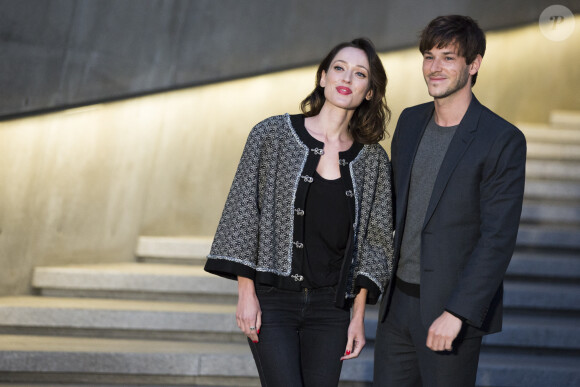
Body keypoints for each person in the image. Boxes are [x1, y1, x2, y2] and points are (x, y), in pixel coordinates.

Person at [205, 38, 394, 387]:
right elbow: (244, 211)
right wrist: (246, 294)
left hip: (331, 309)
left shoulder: (374, 161)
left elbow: (377, 242)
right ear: (322, 77)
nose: (347, 78)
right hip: (274, 300)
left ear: (369, 92)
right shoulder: (271, 135)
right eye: (339, 68)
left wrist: (357, 316)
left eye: (360, 74)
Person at [373, 15, 526, 387]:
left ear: (474, 65)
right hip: (396, 309)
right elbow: (391, 211)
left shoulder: (501, 139)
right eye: (428, 56)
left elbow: (497, 239)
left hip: (449, 309)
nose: (434, 68)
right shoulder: (409, 123)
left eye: (448, 57)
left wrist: (458, 313)